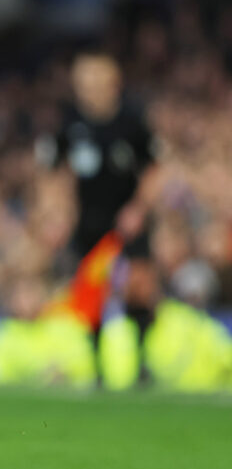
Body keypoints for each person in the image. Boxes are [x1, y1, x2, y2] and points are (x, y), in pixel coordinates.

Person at [39, 50, 160, 382]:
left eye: (96, 80)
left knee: (139, 285)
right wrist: (58, 214)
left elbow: (154, 169)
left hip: (127, 218)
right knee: (91, 293)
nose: (89, 88)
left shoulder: (132, 119)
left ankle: (142, 361)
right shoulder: (70, 121)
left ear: (113, 83)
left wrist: (138, 209)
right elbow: (53, 170)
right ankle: (97, 366)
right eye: (83, 81)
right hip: (89, 220)